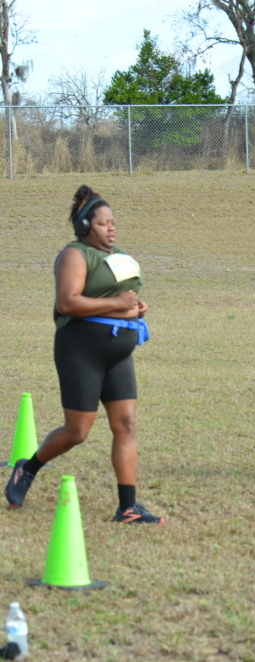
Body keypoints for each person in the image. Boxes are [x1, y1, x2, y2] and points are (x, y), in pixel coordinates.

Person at [5, 185, 163, 524]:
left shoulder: (119, 257)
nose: (111, 228)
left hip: (119, 351)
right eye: (104, 223)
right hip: (81, 349)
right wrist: (118, 304)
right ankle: (27, 468)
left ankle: (128, 508)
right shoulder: (74, 255)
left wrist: (136, 308)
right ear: (85, 227)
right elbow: (68, 302)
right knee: (77, 432)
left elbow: (124, 295)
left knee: (126, 424)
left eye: (113, 222)